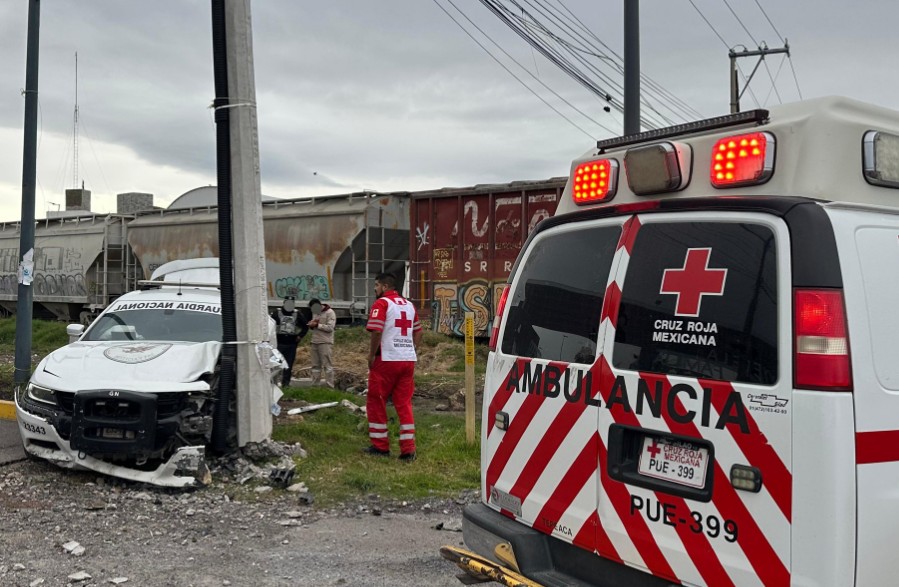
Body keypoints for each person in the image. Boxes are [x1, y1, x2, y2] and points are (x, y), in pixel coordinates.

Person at [364, 272, 422, 462]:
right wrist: (411, 349)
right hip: (407, 360)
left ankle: (380, 446)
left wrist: (371, 355)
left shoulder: (382, 304)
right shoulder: (409, 305)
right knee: (404, 403)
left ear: (384, 286)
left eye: (376, 285)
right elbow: (418, 331)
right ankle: (408, 450)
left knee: (376, 400)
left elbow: (376, 331)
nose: (375, 289)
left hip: (386, 359)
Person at [271, 296, 308, 387]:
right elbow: (269, 325)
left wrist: (300, 336)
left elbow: (305, 326)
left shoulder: (297, 314)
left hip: (291, 343)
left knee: (288, 364)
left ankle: (286, 384)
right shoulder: (277, 313)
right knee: (275, 364)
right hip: (278, 343)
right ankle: (274, 383)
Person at [307, 297, 337, 387]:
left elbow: (330, 328)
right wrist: (311, 325)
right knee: (315, 365)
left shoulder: (330, 312)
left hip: (325, 342)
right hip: (315, 341)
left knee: (327, 365)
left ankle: (330, 385)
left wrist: (317, 325)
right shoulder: (315, 313)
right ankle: (315, 385)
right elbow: (315, 325)